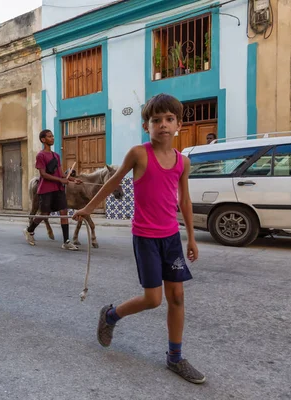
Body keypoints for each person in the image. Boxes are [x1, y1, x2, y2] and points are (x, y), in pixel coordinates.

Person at [73, 93, 205, 384]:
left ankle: (175, 357)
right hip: (145, 237)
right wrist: (87, 208)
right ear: (147, 126)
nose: (163, 125)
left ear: (178, 124)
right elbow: (113, 181)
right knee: (153, 299)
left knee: (178, 297)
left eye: (169, 119)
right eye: (156, 120)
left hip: (170, 237)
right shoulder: (139, 153)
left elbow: (185, 200)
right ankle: (110, 315)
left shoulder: (183, 162)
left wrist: (191, 237)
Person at [24, 129, 82, 251]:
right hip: (46, 189)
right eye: (50, 136)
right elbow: (43, 174)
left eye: (53, 136)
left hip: (58, 189)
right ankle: (29, 230)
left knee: (63, 213)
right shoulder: (40, 155)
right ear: (43, 140)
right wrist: (61, 181)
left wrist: (73, 180)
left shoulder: (56, 156)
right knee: (44, 214)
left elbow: (61, 174)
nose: (52, 138)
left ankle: (66, 241)